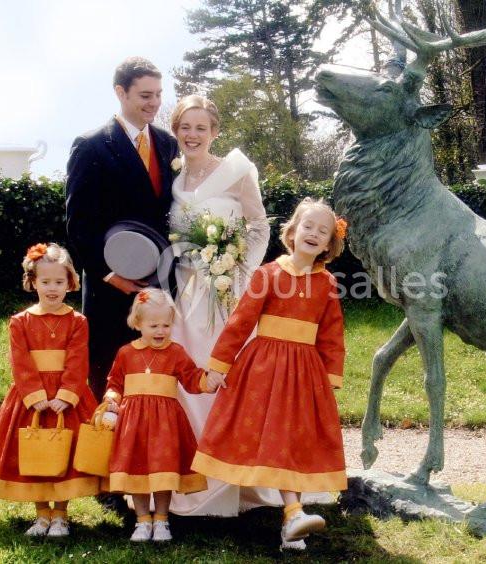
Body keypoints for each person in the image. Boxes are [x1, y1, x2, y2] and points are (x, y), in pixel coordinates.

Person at [191, 198, 348, 551]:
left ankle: (292, 515)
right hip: (263, 370)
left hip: (304, 373)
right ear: (292, 232)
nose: (314, 234)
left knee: (292, 437)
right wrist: (218, 367)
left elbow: (332, 334)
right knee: (272, 435)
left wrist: (329, 377)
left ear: (329, 244)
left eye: (323, 231)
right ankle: (292, 513)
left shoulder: (326, 285)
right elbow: (240, 322)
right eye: (308, 226)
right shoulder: (267, 275)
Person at [165, 95, 273, 516]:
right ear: (176, 131)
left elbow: (259, 226)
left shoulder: (237, 171)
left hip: (225, 294)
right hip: (184, 291)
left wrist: (241, 274)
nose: (192, 136)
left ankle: (235, 484)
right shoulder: (174, 177)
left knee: (224, 378)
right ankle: (190, 483)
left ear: (215, 132)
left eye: (201, 128)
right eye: (185, 128)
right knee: (186, 379)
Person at [66, 56, 179, 399]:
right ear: (120, 92)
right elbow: (78, 224)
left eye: (158, 94)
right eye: (146, 95)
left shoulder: (168, 143)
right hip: (110, 288)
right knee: (109, 381)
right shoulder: (91, 145)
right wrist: (108, 275)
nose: (155, 103)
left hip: (158, 283)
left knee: (154, 381)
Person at [0, 243, 99, 538]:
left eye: (59, 282)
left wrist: (67, 395)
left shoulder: (78, 321)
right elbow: (20, 361)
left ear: (70, 282)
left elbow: (78, 360)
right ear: (32, 283)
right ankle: (42, 513)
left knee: (67, 454)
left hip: (66, 398)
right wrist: (36, 396)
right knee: (34, 453)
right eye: (45, 282)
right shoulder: (20, 322)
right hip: (33, 399)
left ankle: (61, 514)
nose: (52, 288)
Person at [103, 288, 214, 542]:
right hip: (134, 424)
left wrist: (209, 381)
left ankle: (162, 519)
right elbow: (115, 382)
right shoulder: (126, 353)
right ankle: (142, 520)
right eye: (154, 325)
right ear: (138, 323)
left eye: (166, 325)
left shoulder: (176, 352)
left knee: (164, 470)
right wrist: (111, 398)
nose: (161, 331)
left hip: (166, 424)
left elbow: (191, 378)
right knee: (138, 472)